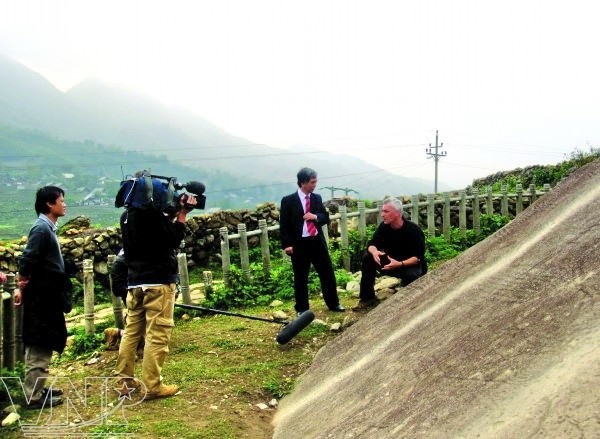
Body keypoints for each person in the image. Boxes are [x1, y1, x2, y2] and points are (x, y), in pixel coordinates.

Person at [114, 186, 197, 400]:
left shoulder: (127, 216)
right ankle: (152, 385)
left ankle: (124, 382)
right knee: (157, 333)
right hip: (158, 283)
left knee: (132, 332)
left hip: (135, 282)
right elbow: (172, 240)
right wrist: (182, 215)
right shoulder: (154, 216)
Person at [14, 186, 71, 409]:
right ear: (49, 203)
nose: (64, 204)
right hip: (41, 298)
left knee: (46, 341)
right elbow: (27, 260)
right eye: (61, 200)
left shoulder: (48, 228)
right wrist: (21, 285)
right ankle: (33, 395)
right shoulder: (41, 229)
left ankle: (38, 387)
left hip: (48, 295)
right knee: (40, 342)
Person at [279, 167, 345, 315]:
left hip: (316, 241)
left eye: (315, 181)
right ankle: (302, 309)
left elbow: (325, 217)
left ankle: (333, 303)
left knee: (327, 273)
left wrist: (314, 217)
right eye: (312, 182)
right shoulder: (288, 201)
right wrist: (287, 245)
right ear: (303, 183)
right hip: (299, 244)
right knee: (301, 277)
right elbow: (284, 225)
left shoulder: (316, 198)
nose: (315, 184)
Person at [352, 197, 426, 311]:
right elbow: (372, 244)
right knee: (368, 258)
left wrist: (400, 264)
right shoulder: (384, 227)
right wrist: (375, 252)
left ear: (397, 213)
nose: (382, 214)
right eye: (382, 211)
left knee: (412, 276)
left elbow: (418, 258)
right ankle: (367, 298)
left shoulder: (413, 230)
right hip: (390, 263)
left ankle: (409, 304)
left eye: (386, 211)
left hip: (408, 265)